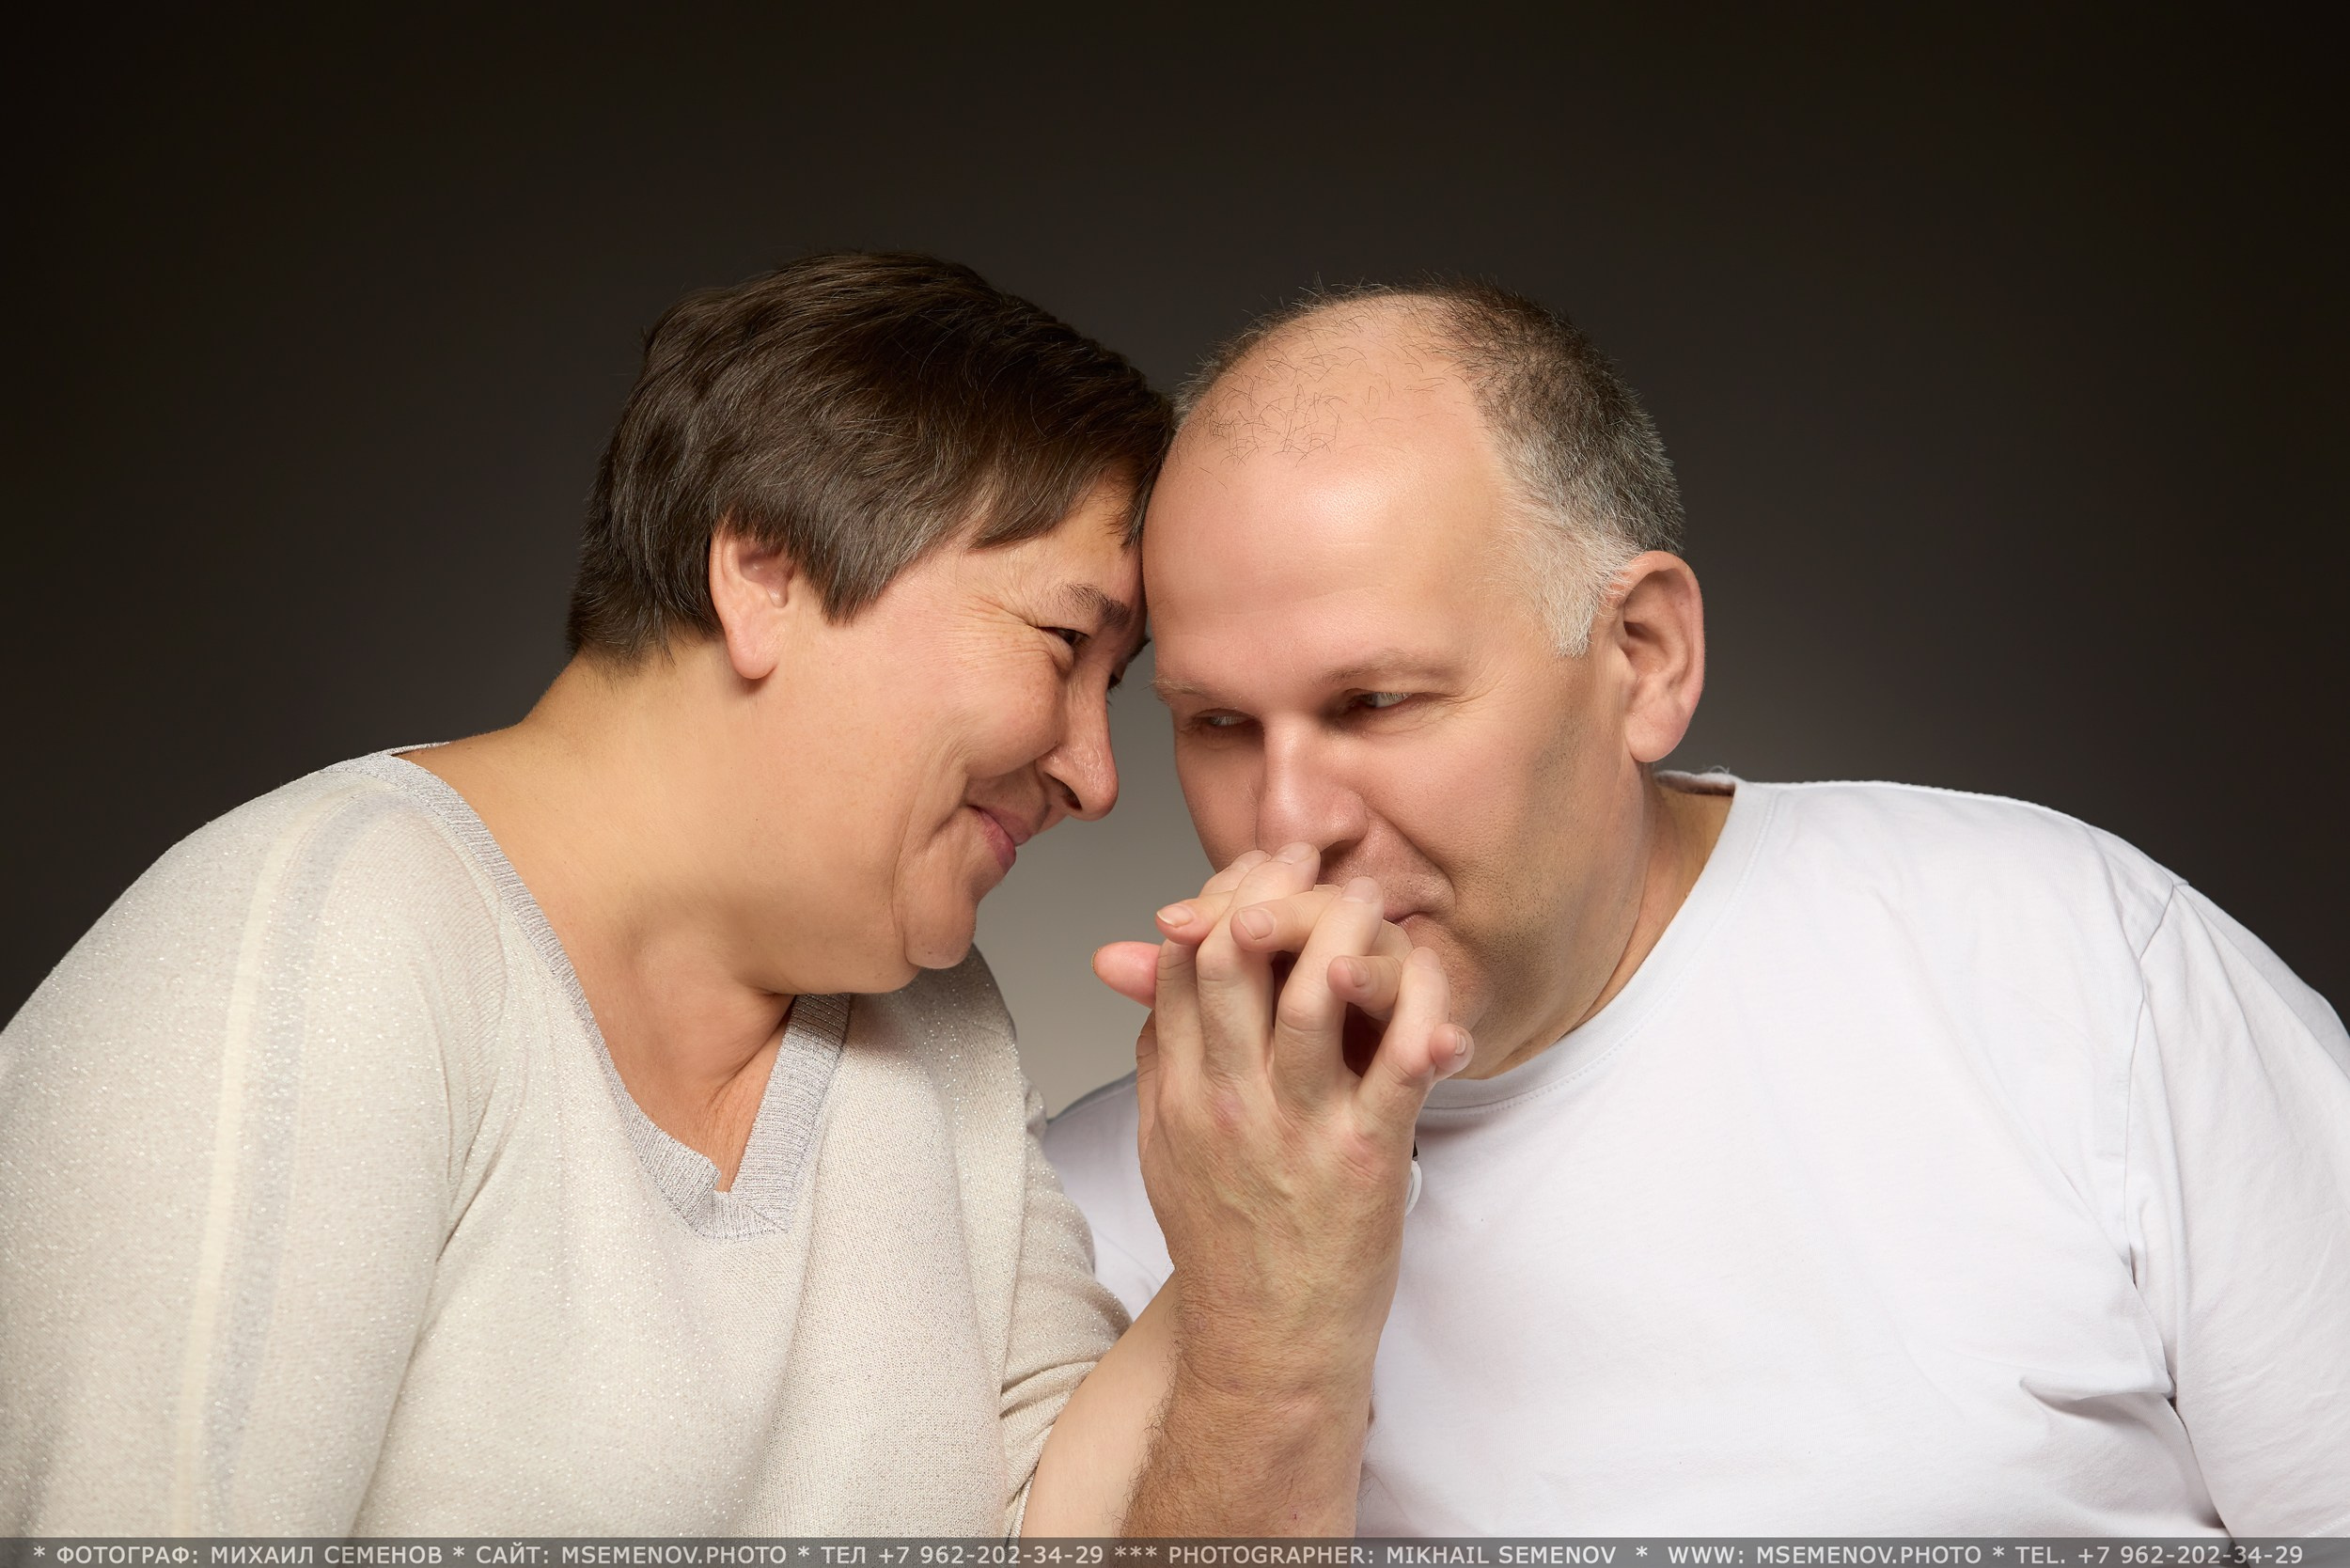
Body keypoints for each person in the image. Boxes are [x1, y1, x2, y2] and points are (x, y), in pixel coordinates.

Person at [0, 253, 1455, 1537]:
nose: (1095, 773)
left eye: (1116, 688)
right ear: (764, 574)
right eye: (1062, 642)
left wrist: (1278, 1226)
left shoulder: (933, 1029)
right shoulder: (330, 950)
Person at [1043, 279, 2350, 1536]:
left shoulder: (2064, 962)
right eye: (1216, 723)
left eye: (1374, 705)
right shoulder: (1088, 1213)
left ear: (1644, 659)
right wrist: (1261, 1327)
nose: (1287, 821)